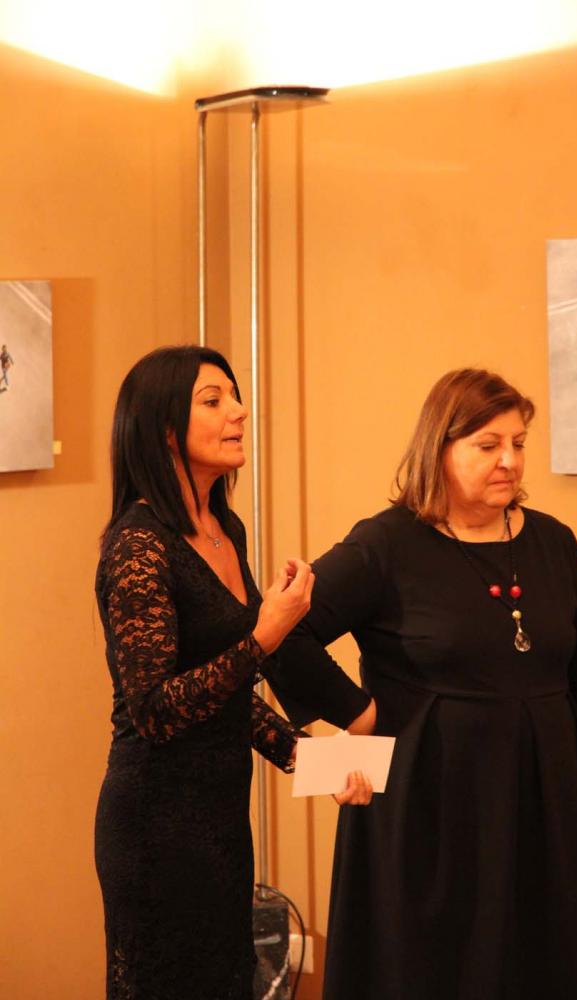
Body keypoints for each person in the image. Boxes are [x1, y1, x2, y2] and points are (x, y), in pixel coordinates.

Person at [268, 368, 577, 1000]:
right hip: (430, 810)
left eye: (518, 443)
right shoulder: (385, 544)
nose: (509, 461)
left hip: (546, 803)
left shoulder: (555, 542)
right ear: (438, 448)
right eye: (488, 445)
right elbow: (283, 634)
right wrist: (358, 717)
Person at [94, 345, 371, 1000]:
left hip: (220, 820)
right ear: (165, 429)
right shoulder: (138, 545)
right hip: (154, 826)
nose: (239, 412)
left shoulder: (224, 528)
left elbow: (223, 696)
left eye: (235, 396)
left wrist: (311, 760)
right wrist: (266, 632)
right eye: (213, 400)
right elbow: (155, 711)